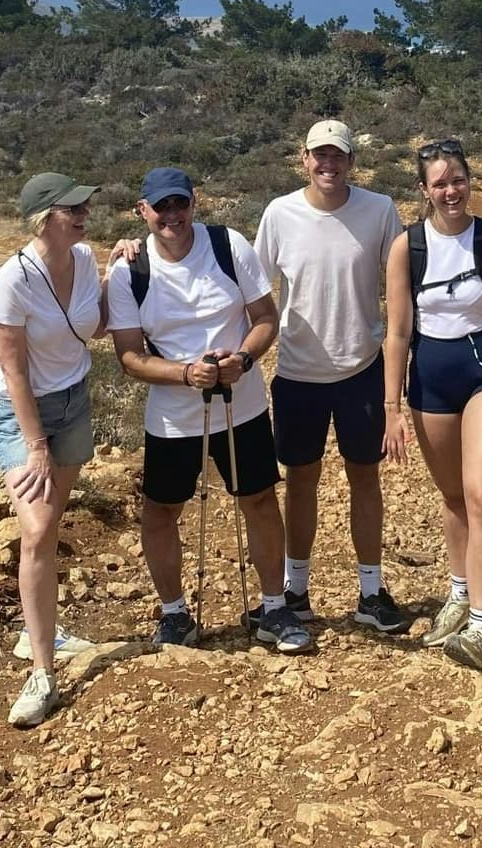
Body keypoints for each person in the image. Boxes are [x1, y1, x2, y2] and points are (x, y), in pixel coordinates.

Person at [108, 167, 311, 654]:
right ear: (143, 211)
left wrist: (241, 359)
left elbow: (265, 317)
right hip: (172, 418)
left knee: (259, 500)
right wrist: (184, 373)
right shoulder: (128, 272)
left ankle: (273, 606)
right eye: (162, 207)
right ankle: (175, 615)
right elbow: (130, 357)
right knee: (161, 511)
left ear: (193, 203)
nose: (172, 215)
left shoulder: (227, 246)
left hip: (240, 406)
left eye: (180, 204)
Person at [255, 120, 413, 634]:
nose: (329, 165)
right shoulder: (280, 213)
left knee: (363, 478)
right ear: (303, 158)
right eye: (319, 156)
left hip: (361, 370)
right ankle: (295, 591)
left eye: (338, 156)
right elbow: (251, 287)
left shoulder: (379, 210)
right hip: (298, 373)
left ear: (350, 161)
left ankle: (371, 592)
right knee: (301, 481)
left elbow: (403, 285)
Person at [382, 138, 482, 671]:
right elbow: (397, 332)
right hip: (430, 380)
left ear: (470, 181)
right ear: (424, 191)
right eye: (440, 183)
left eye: (458, 180)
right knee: (452, 496)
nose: (451, 191)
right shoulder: (408, 247)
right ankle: (458, 591)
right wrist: (391, 407)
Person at [0, 172, 106, 727]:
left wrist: (122, 264)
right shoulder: (13, 279)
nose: (83, 213)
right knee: (34, 530)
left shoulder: (84, 260)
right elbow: (13, 370)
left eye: (84, 205)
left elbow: (95, 326)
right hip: (22, 412)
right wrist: (34, 446)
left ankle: (42, 630)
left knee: (51, 523)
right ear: (43, 217)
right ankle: (42, 670)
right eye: (71, 207)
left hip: (72, 402)